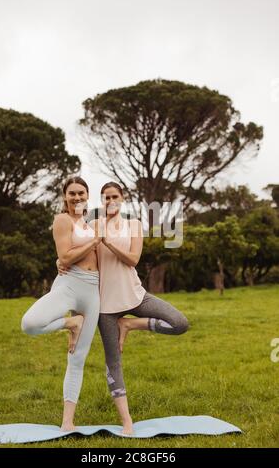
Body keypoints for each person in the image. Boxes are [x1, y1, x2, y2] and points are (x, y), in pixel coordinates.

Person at [58, 181, 189, 435]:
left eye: (115, 196)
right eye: (105, 197)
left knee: (180, 322)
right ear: (101, 200)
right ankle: (126, 421)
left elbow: (133, 259)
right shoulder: (93, 225)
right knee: (113, 363)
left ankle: (130, 324)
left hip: (136, 295)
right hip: (106, 307)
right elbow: (73, 252)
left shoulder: (134, 225)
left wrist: (106, 242)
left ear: (123, 198)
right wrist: (58, 261)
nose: (110, 201)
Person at [21, 176, 101, 431]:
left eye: (81, 193)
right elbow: (65, 257)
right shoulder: (62, 220)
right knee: (30, 324)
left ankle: (68, 422)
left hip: (92, 291)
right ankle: (71, 323)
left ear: (88, 195)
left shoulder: (90, 224)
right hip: (69, 285)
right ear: (65, 196)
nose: (77, 197)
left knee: (77, 359)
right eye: (72, 193)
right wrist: (93, 242)